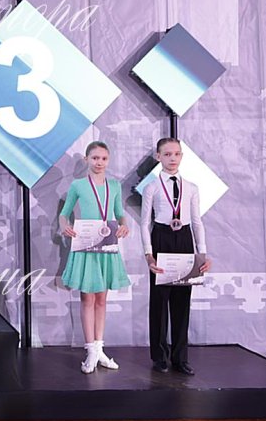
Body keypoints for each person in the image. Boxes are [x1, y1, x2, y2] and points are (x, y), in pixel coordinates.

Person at [141, 137, 211, 375]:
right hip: (161, 237)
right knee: (159, 301)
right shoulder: (151, 187)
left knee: (182, 300)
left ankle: (180, 358)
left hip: (184, 238)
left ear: (182, 156)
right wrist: (149, 254)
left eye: (177, 154)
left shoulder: (191, 187)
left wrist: (202, 253)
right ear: (158, 157)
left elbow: (198, 221)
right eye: (167, 154)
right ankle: (159, 356)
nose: (173, 158)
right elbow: (144, 223)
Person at [60, 141, 130, 373]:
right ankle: (90, 350)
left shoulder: (115, 185)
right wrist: (65, 226)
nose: (99, 162)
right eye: (95, 158)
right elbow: (64, 214)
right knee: (87, 299)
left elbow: (120, 214)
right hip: (86, 245)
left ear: (108, 160)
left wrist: (124, 225)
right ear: (87, 160)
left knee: (101, 299)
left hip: (107, 245)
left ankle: (99, 349)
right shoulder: (78, 185)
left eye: (104, 158)